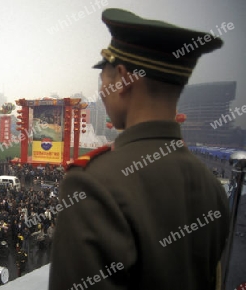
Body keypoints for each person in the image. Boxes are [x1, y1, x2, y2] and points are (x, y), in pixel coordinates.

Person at [49, 8, 229, 290]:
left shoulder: (92, 182)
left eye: (103, 79)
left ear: (122, 79)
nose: (102, 90)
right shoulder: (212, 187)